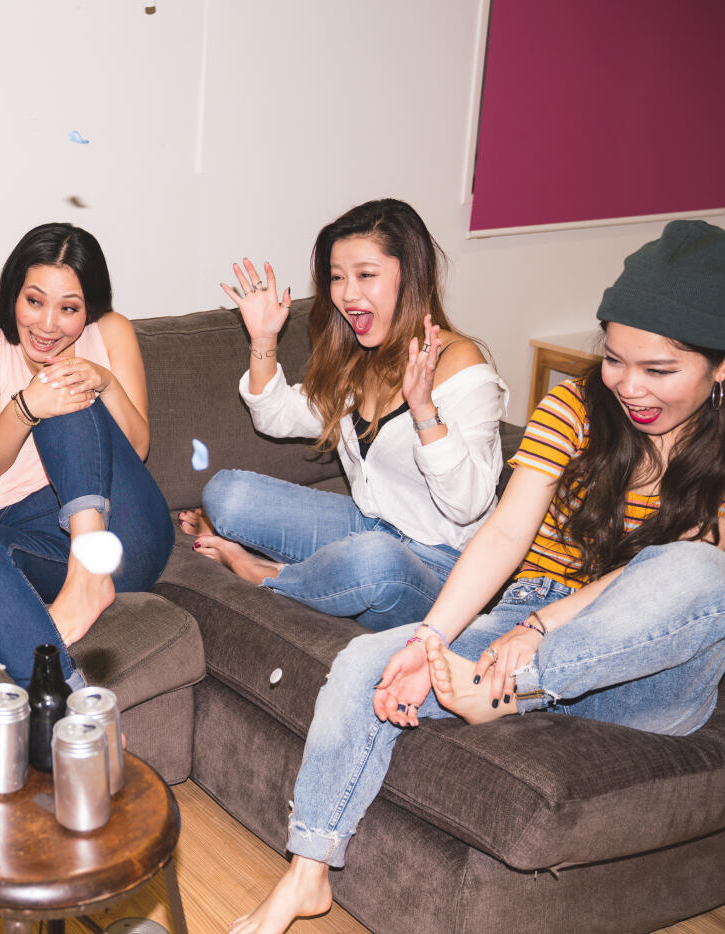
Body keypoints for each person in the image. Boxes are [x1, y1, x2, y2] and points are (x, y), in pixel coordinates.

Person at [231, 219, 725, 934]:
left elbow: (666, 584)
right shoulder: (576, 408)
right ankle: (307, 874)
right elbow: (503, 533)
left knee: (700, 569)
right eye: (616, 361)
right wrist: (428, 639)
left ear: (719, 368)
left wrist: (537, 638)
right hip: (521, 618)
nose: (630, 386)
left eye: (659, 371)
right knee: (368, 662)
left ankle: (512, 694)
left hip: (647, 672)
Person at [180, 199, 508, 630]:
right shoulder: (357, 359)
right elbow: (275, 417)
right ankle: (330, 576)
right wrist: (263, 340)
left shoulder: (460, 364)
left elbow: (468, 506)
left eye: (366, 275)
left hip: (443, 566)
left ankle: (269, 574)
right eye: (337, 277)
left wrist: (424, 410)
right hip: (367, 526)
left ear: (410, 275)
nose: (348, 293)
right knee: (227, 493)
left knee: (374, 559)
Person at [0, 222, 173, 689]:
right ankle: (64, 697)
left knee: (66, 380)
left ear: (89, 307)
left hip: (126, 528)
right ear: (14, 293)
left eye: (69, 309)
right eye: (34, 301)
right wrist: (28, 405)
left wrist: (103, 381)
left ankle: (90, 572)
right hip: (35, 533)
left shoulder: (112, 331)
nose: (47, 325)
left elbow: (138, 447)